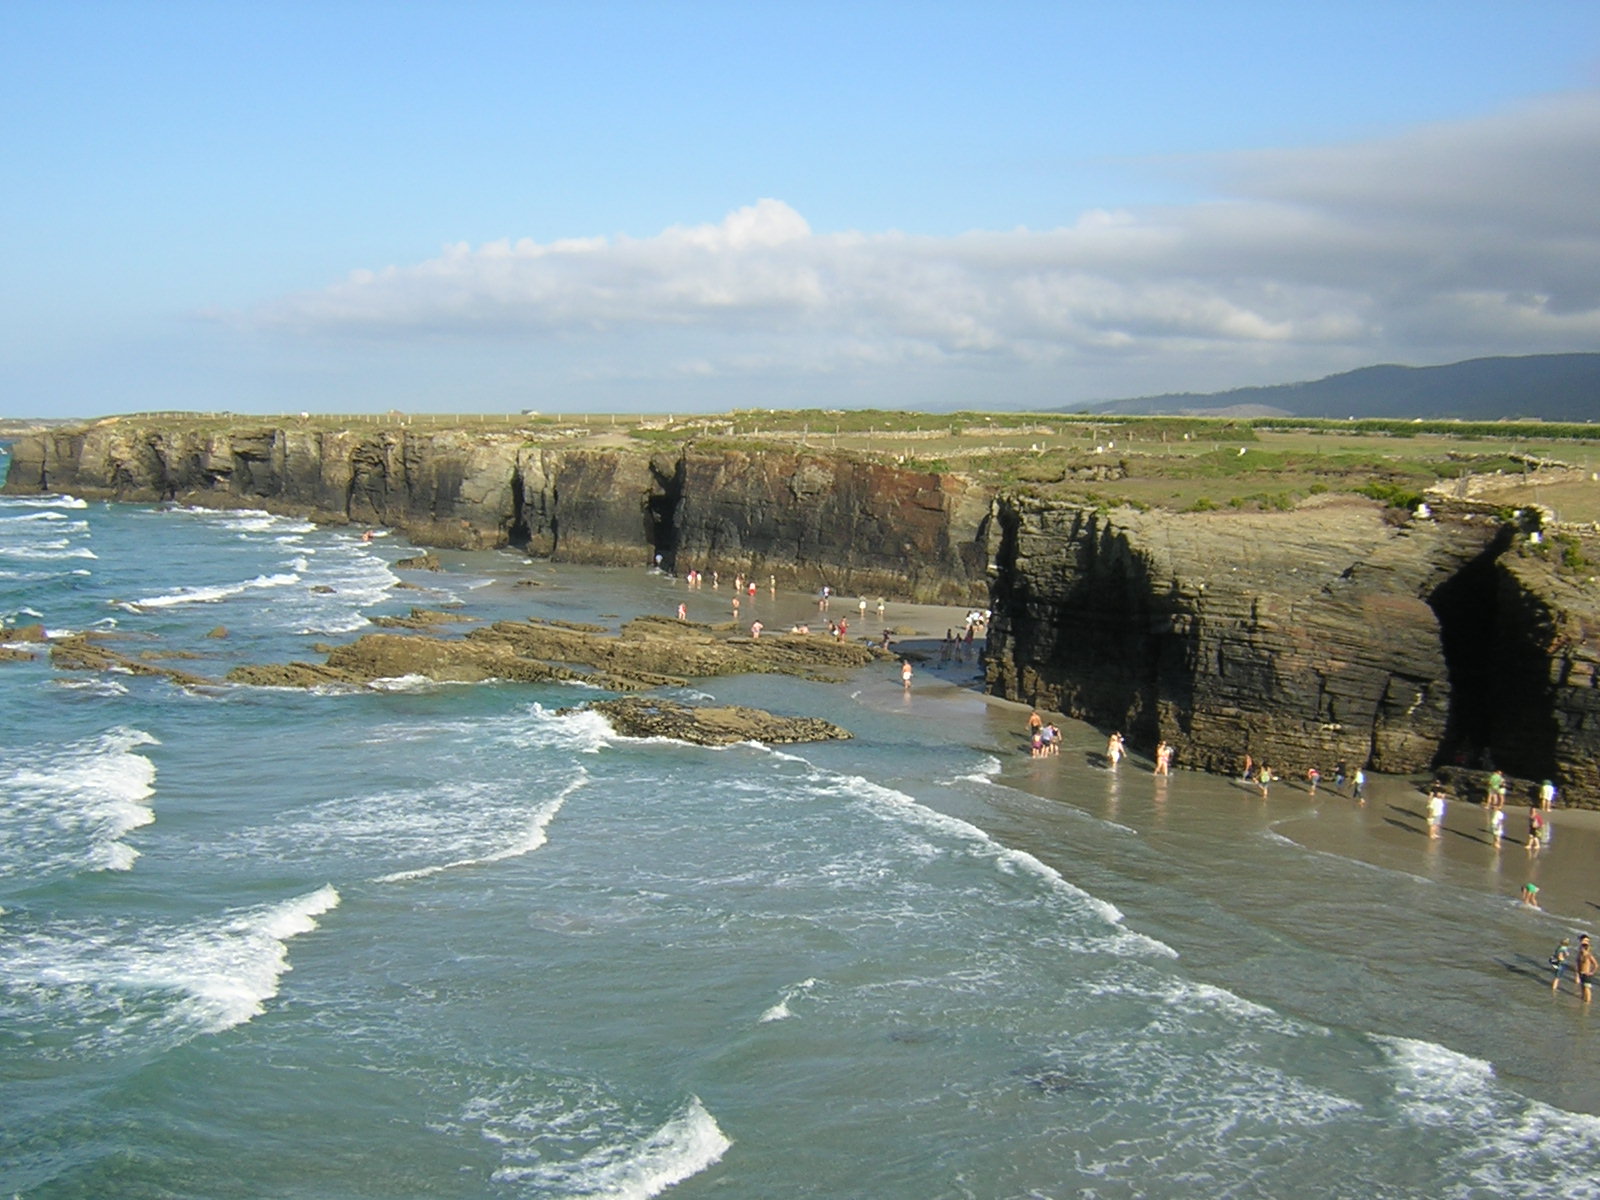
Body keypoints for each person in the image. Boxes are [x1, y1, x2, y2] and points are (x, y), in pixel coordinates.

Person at [1578, 935, 1597, 1003]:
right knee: (1582, 987)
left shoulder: (1589, 955)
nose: (1581, 949)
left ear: (1585, 949)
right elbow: (1579, 964)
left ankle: (1588, 1001)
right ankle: (1583, 999)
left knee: (1587, 988)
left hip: (1587, 974)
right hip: (1581, 973)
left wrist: (1592, 972)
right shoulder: (1580, 955)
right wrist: (1578, 973)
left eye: (1582, 948)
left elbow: (1596, 965)